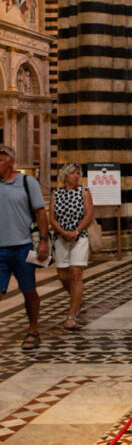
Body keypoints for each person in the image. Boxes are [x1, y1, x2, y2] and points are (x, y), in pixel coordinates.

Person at [0, 144, 50, 350]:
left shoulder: (27, 183)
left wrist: (44, 241)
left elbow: (40, 212)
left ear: (11, 161)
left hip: (23, 246)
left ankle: (33, 328)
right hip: (0, 249)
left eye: (1, 159)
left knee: (29, 290)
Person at [49, 162, 94, 329]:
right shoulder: (56, 193)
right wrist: (63, 232)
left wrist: (76, 231)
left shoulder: (84, 192)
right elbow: (52, 218)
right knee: (63, 275)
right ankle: (77, 298)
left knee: (76, 274)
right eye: (73, 173)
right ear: (65, 176)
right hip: (61, 237)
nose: (76, 176)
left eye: (78, 173)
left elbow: (89, 214)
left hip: (79, 237)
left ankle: (71, 314)